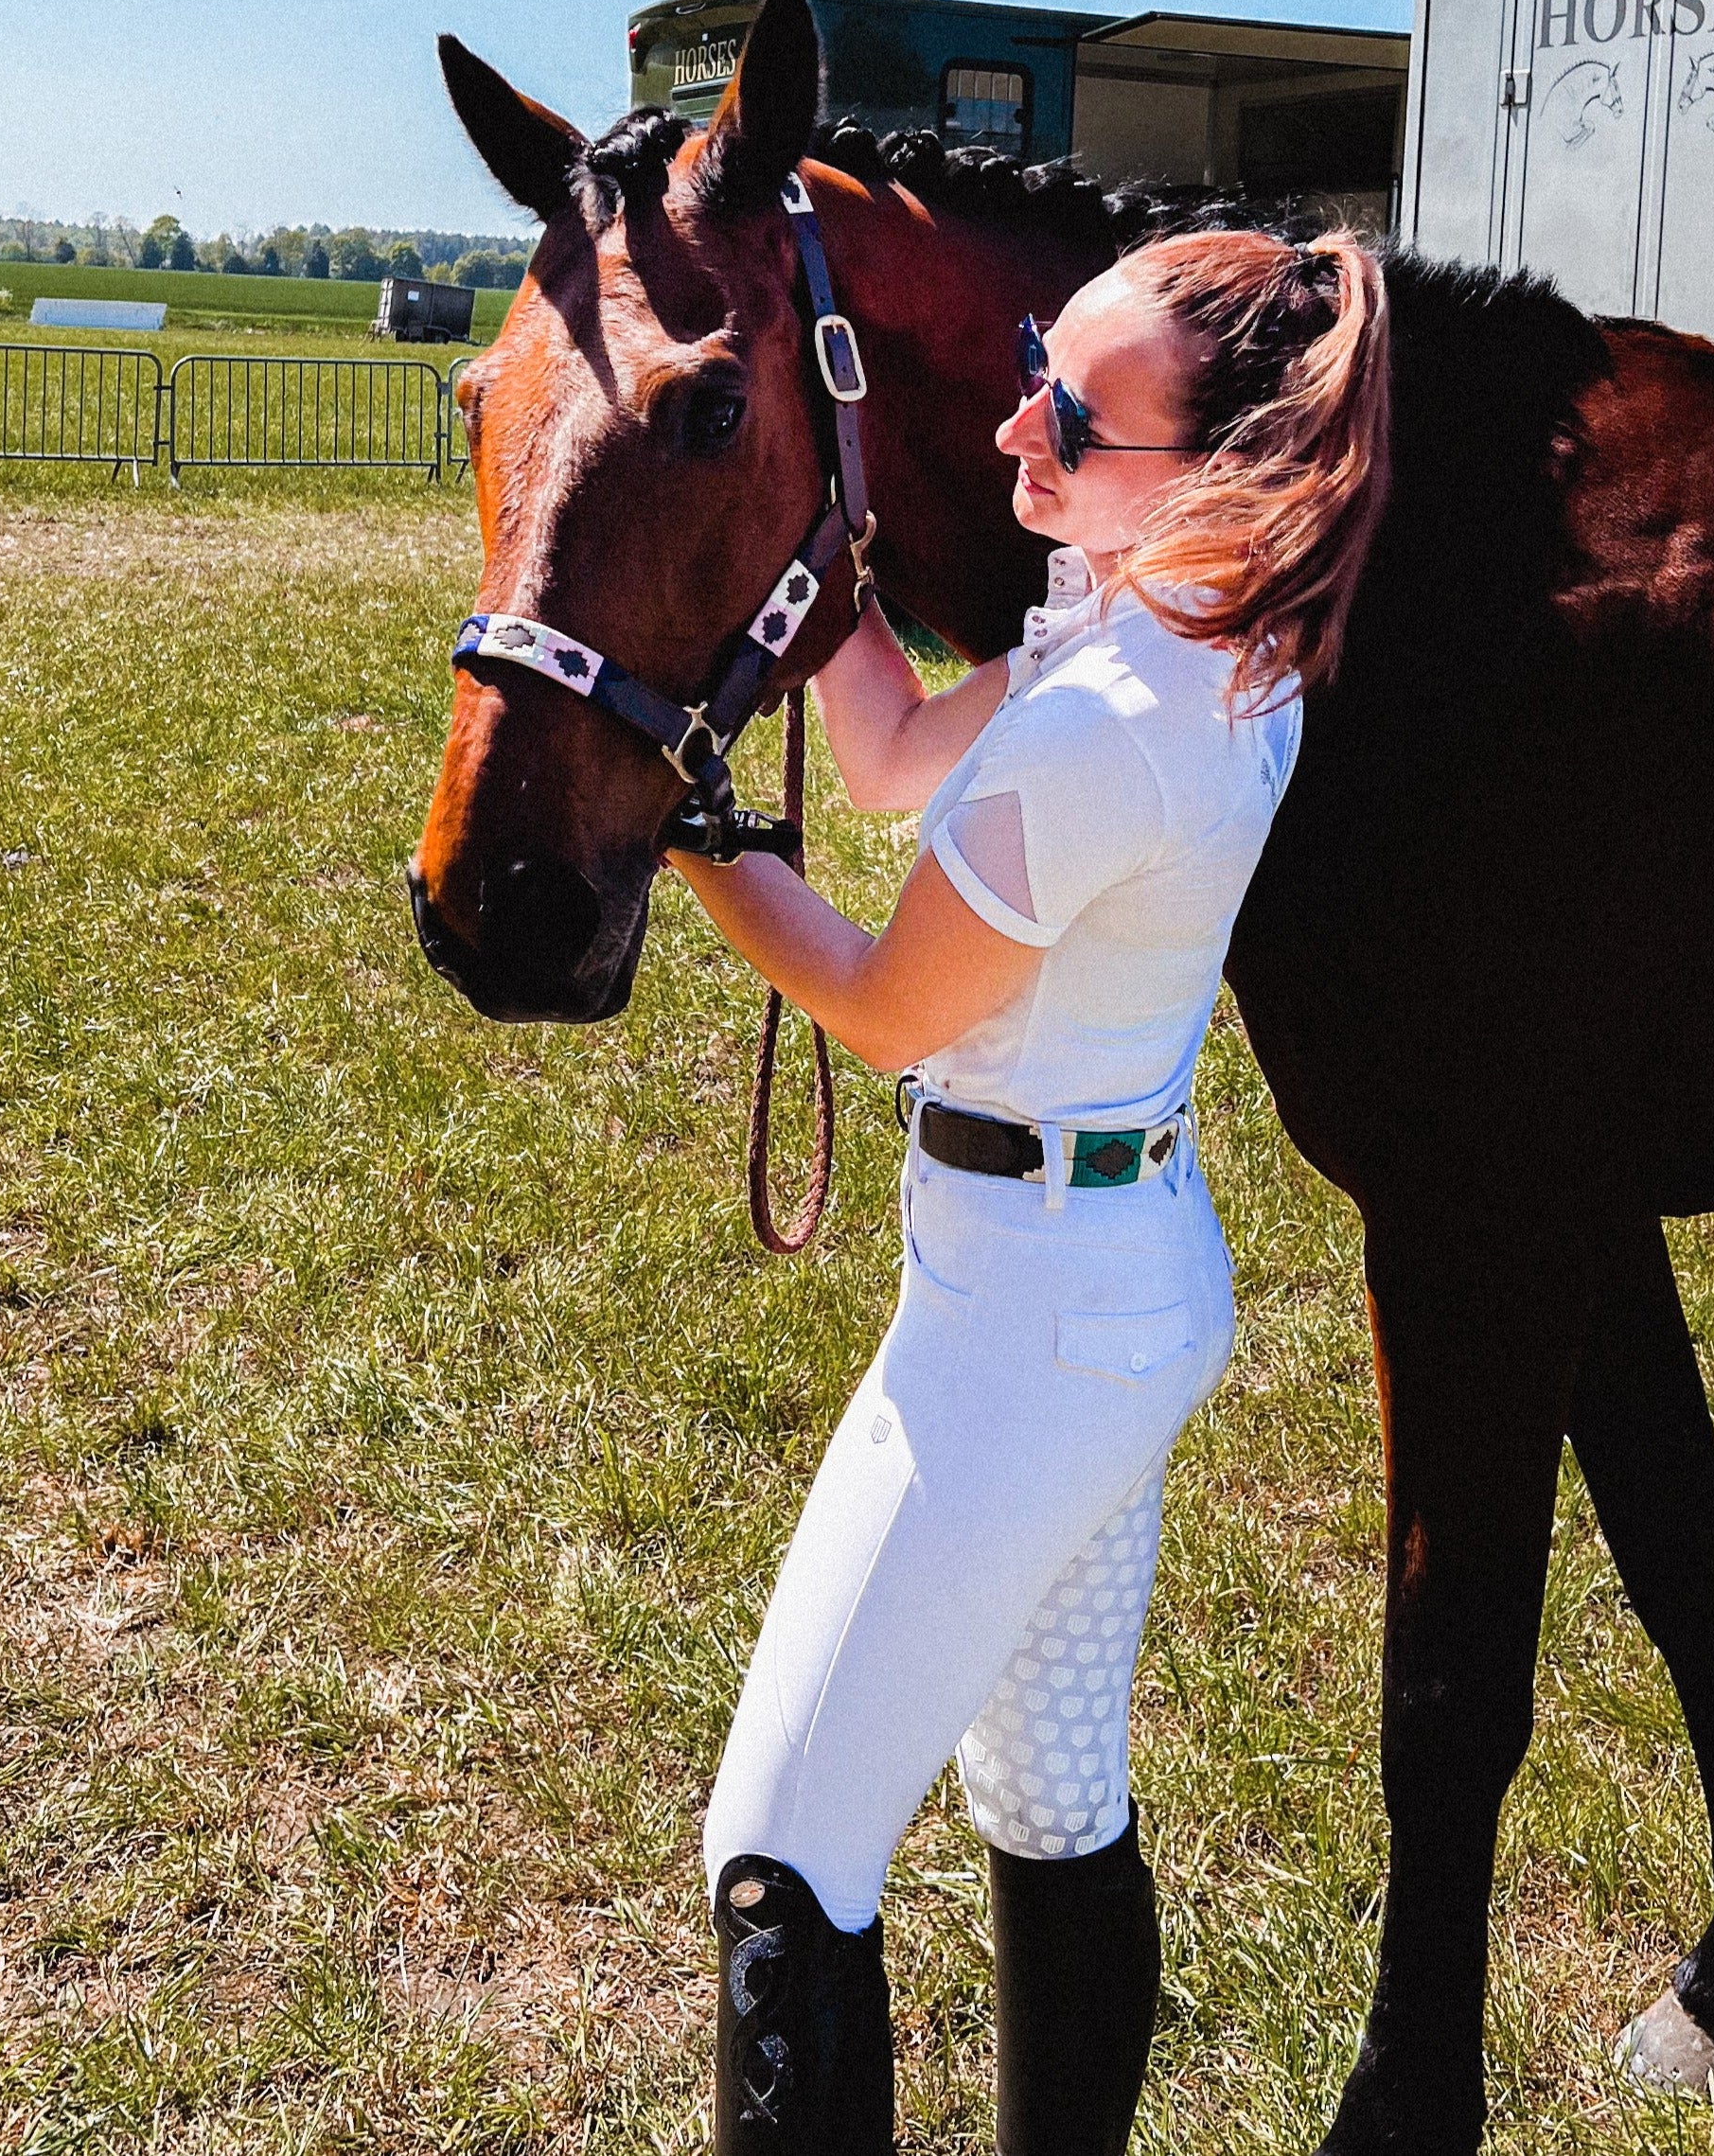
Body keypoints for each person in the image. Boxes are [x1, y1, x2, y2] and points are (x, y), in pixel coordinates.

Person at [666, 228, 1391, 2154]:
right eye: (1027, 368)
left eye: (1070, 413)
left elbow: (891, 1007)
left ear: (1225, 468)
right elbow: (902, 753)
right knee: (1051, 1788)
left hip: (1029, 1323)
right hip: (1101, 1280)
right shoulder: (1167, 635)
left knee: (776, 1856)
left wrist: (696, 818)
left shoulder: (1110, 725)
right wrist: (823, 580)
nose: (1015, 422)